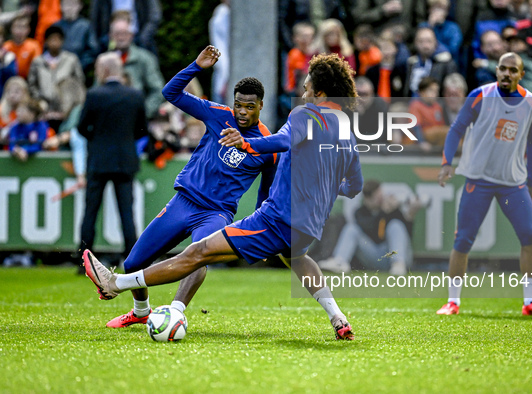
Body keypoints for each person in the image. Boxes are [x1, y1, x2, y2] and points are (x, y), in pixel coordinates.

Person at [83, 52, 363, 340]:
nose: (302, 94)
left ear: (319, 93)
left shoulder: (305, 114)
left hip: (273, 219)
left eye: (305, 89)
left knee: (198, 252)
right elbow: (355, 186)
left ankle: (117, 284)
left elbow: (282, 141)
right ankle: (338, 318)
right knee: (297, 258)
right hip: (304, 227)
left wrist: (246, 143)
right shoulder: (345, 132)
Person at [97, 45, 278, 329]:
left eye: (249, 106)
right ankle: (141, 311)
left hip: (216, 213)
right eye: (238, 104)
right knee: (133, 264)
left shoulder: (269, 145)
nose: (242, 112)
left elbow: (266, 193)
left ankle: (176, 311)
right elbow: (170, 93)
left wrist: (262, 229)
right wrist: (195, 66)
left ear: (261, 106)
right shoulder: (218, 114)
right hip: (183, 202)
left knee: (198, 255)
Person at [436, 52, 532, 317]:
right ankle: (452, 301)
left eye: (512, 70)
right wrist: (446, 162)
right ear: (497, 70)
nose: (506, 73)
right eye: (502, 68)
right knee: (463, 238)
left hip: (512, 182)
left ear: (521, 75)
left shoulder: (531, 103)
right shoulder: (480, 95)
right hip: (478, 178)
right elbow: (457, 128)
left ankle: (530, 302)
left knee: (530, 235)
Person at [77, 52, 147, 276]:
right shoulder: (135, 96)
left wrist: (97, 140)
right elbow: (141, 129)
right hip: (125, 160)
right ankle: (134, 260)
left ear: (104, 70)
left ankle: (84, 260)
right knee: (127, 213)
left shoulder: (94, 94)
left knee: (90, 212)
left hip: (98, 161)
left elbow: (81, 127)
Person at [318, 179, 424, 276]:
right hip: (375, 257)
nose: (381, 199)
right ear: (367, 199)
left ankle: (398, 264)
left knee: (395, 225)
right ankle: (339, 261)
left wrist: (410, 213)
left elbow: (404, 235)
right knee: (351, 228)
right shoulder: (360, 213)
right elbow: (371, 231)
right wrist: (383, 212)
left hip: (398, 257)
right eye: (377, 197)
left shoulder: (394, 212)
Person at [27, 25, 85, 132]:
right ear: (46, 41)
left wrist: (69, 105)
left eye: (58, 39)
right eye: (51, 39)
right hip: (43, 109)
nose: (55, 42)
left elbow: (79, 83)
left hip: (67, 108)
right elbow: (32, 85)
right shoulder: (37, 62)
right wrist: (39, 103)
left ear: (62, 41)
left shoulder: (71, 60)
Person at [108, 16, 164, 119]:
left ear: (131, 35)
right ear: (111, 36)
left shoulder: (145, 58)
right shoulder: (105, 60)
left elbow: (158, 90)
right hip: (111, 118)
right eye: (117, 34)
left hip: (137, 118)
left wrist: (143, 113)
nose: (121, 38)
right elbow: (98, 90)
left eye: (124, 33)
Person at [91, 0, 162, 54]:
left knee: (148, 58)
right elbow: (95, 19)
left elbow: (154, 16)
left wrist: (144, 37)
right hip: (110, 38)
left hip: (139, 38)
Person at [404, 27, 457, 97]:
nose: (425, 45)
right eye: (421, 41)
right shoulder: (410, 63)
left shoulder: (446, 63)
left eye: (429, 41)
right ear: (415, 43)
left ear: (435, 42)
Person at [52, 0, 99, 75]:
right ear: (60, 6)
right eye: (66, 4)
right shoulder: (55, 27)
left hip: (79, 71)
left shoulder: (86, 26)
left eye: (73, 4)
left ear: (80, 6)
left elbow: (92, 50)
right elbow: (48, 49)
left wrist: (78, 66)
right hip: (56, 70)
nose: (69, 8)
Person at [8, 97, 48, 161]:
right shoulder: (14, 127)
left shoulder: (41, 126)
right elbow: (12, 144)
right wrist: (17, 151)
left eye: (21, 111)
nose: (17, 113)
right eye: (17, 110)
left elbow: (39, 145)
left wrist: (25, 150)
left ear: (32, 114)